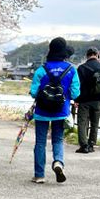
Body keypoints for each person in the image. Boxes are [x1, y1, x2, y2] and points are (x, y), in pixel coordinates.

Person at [30, 36, 80, 183]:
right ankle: (58, 162)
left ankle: (39, 175)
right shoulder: (71, 70)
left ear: (50, 50)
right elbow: (75, 93)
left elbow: (33, 92)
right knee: (57, 140)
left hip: (42, 111)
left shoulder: (41, 69)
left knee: (40, 142)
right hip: (61, 111)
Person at [75, 47, 100, 152]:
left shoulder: (81, 68)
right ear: (97, 55)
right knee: (95, 123)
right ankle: (91, 145)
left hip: (84, 100)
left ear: (87, 56)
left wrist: (76, 99)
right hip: (98, 100)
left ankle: (84, 145)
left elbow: (77, 85)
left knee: (82, 123)